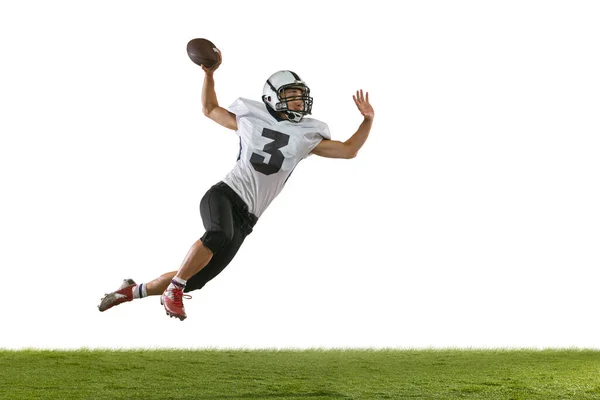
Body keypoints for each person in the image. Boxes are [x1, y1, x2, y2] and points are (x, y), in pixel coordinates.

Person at [98, 49, 374, 320]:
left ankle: (129, 291)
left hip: (248, 219)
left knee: (195, 278)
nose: (299, 102)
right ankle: (174, 291)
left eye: (300, 96)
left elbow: (349, 150)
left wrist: (367, 120)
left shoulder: (307, 135)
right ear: (272, 97)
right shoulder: (251, 118)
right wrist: (209, 75)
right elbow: (210, 109)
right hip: (226, 195)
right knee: (216, 238)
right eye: (291, 95)